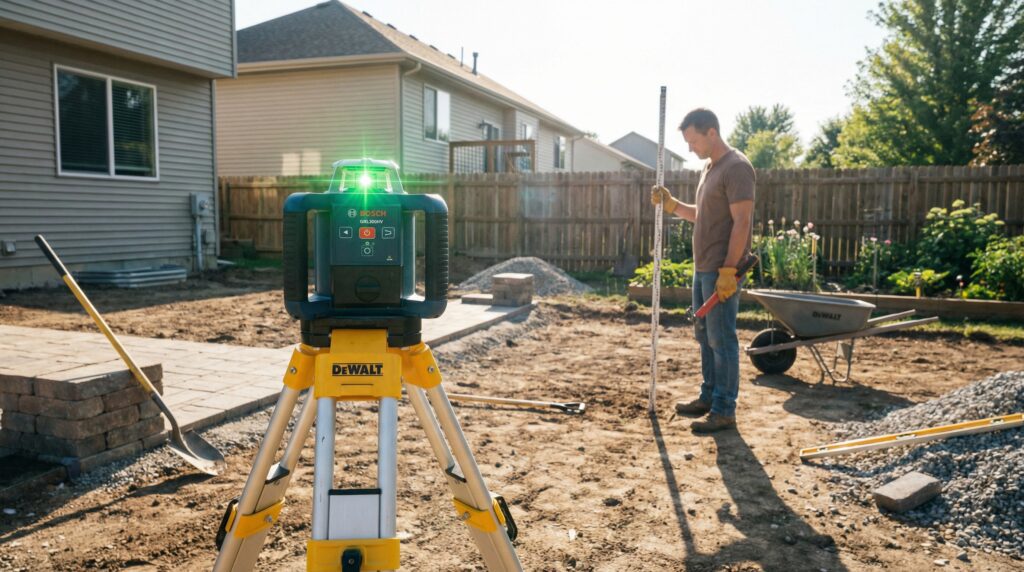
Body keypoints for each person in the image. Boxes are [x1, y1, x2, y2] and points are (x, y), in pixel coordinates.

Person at [651, 108, 755, 433]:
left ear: (711, 132)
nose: (690, 148)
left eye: (693, 141)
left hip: (720, 271)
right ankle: (709, 397)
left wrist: (728, 270)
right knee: (704, 337)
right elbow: (703, 215)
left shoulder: (737, 167)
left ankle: (725, 409)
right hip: (703, 268)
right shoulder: (709, 169)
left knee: (722, 339)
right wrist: (672, 206)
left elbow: (742, 222)